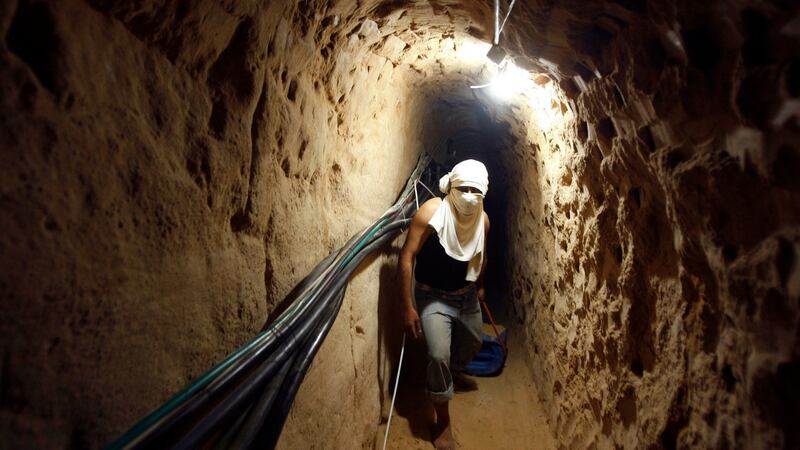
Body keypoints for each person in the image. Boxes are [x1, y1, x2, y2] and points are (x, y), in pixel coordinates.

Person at [398, 159, 490, 450]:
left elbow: (480, 255)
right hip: (433, 296)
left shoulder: (482, 220)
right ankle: (442, 419)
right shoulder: (432, 213)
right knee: (438, 355)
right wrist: (408, 305)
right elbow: (407, 256)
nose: (469, 195)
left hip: (465, 296)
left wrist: (479, 285)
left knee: (474, 342)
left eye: (477, 190)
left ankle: (444, 378)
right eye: (463, 188)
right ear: (451, 186)